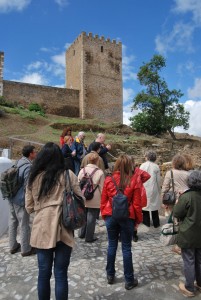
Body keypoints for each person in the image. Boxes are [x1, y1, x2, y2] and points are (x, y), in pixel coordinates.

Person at [25, 142, 84, 300]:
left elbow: (29, 207)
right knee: (61, 274)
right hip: (65, 225)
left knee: (43, 274)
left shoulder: (34, 177)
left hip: (42, 227)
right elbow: (81, 199)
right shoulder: (68, 174)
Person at [100, 154, 142, 290]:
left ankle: (110, 275)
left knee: (112, 245)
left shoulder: (108, 179)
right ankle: (129, 280)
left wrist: (105, 216)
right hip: (127, 217)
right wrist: (137, 221)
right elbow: (137, 204)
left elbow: (103, 200)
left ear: (117, 164)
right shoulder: (134, 179)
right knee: (126, 248)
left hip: (111, 215)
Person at [173, 170, 201, 297]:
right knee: (199, 260)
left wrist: (179, 200)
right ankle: (200, 283)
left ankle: (189, 287)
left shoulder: (187, 196)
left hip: (188, 233)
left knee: (189, 260)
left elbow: (177, 213)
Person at [8, 145, 37, 257]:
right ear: (30, 154)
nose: (36, 154)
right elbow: (28, 186)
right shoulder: (28, 166)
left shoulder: (18, 162)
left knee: (12, 221)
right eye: (34, 152)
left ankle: (13, 246)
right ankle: (26, 249)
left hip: (11, 196)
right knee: (24, 224)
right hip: (20, 199)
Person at [161, 154, 191, 255]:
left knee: (175, 222)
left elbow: (164, 188)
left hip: (174, 201)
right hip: (186, 200)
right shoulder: (188, 174)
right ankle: (183, 244)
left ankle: (179, 246)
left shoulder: (170, 173)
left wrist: (164, 202)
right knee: (183, 223)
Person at [78, 152, 105, 242]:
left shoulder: (82, 170)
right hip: (95, 196)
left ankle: (81, 233)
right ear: (97, 161)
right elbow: (102, 187)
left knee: (83, 214)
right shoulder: (100, 172)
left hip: (83, 195)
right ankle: (89, 236)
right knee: (92, 216)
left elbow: (78, 183)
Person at [131, 156, 151, 241]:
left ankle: (123, 234)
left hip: (127, 194)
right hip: (136, 194)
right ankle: (134, 234)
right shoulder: (137, 171)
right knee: (135, 214)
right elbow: (147, 175)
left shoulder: (123, 171)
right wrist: (140, 182)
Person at [139, 151, 161, 228]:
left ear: (147, 157)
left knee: (145, 205)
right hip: (153, 187)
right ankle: (156, 223)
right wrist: (159, 190)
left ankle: (146, 222)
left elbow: (139, 177)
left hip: (144, 187)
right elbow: (158, 180)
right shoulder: (156, 166)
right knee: (154, 205)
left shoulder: (142, 165)